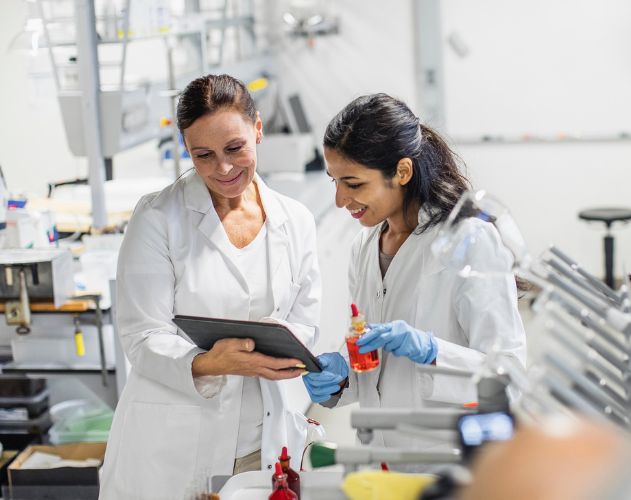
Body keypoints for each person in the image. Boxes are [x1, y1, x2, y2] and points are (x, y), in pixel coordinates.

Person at [99, 74, 321, 499]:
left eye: (235, 148)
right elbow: (143, 336)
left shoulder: (295, 220)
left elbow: (305, 325)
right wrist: (212, 362)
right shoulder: (158, 218)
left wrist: (288, 356)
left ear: (258, 129)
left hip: (263, 440)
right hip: (172, 443)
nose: (222, 168)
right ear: (186, 149)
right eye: (203, 155)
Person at [303, 93, 527, 458]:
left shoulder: (468, 240)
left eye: (354, 183)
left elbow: (508, 377)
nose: (341, 200)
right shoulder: (364, 247)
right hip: (379, 457)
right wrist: (342, 379)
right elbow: (374, 369)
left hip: (446, 460)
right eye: (335, 182)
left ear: (402, 172)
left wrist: (432, 351)